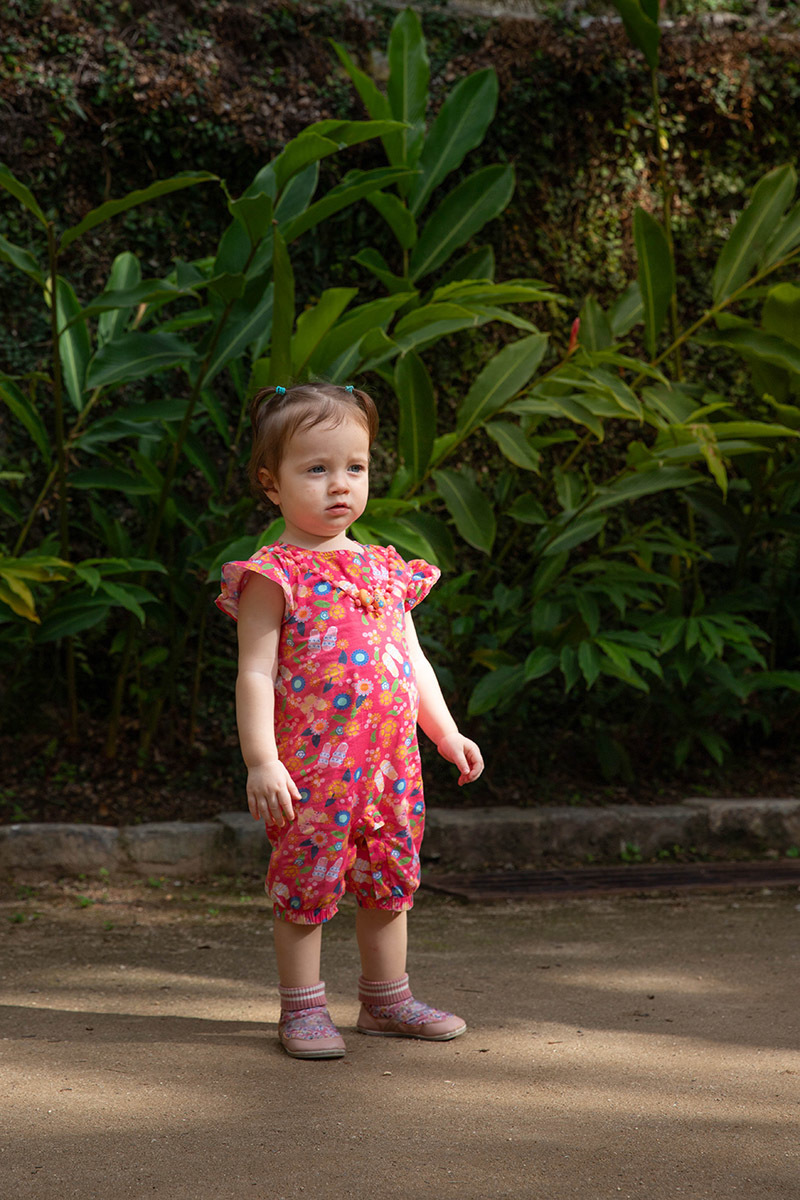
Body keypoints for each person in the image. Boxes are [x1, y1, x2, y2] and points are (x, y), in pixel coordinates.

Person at [216, 381, 483, 1059]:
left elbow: (411, 658)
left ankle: (386, 1000)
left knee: (390, 881)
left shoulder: (384, 568)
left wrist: (445, 731)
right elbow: (255, 673)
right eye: (316, 469)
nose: (340, 485)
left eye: (355, 468)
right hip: (312, 771)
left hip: (391, 766)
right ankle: (301, 1009)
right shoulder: (274, 575)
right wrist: (261, 759)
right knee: (307, 881)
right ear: (271, 485)